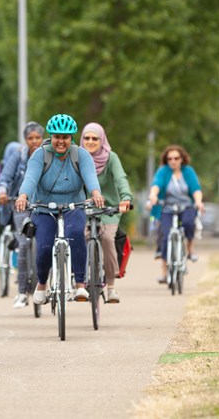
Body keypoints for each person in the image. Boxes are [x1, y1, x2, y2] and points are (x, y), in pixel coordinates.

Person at [15, 114, 104, 304]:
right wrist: (23, 196)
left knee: (75, 234)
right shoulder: (41, 154)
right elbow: (30, 178)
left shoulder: (81, 155)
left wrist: (96, 194)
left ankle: (80, 284)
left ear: (72, 138)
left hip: (74, 206)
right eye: (57, 136)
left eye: (65, 137)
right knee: (45, 245)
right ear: (51, 137)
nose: (61, 141)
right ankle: (41, 284)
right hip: (44, 207)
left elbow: (90, 177)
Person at [80, 122, 133, 303]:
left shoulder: (111, 158)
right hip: (83, 208)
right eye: (87, 138)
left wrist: (125, 198)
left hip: (108, 209)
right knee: (77, 237)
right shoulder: (77, 157)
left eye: (95, 138)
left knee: (108, 238)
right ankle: (79, 279)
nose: (91, 141)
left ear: (102, 140)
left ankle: (111, 287)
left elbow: (121, 179)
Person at [0, 122, 46, 308]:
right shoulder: (18, 156)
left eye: (37, 138)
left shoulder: (48, 155)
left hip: (43, 205)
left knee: (48, 243)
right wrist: (2, 192)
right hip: (21, 204)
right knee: (24, 244)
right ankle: (22, 291)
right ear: (25, 140)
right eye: (30, 138)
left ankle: (52, 282)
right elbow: (5, 178)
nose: (34, 142)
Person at [147, 144, 204, 284]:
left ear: (182, 159)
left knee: (189, 223)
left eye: (176, 158)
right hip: (166, 207)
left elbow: (196, 188)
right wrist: (153, 196)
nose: (173, 161)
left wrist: (198, 201)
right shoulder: (163, 171)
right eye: (169, 158)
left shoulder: (188, 171)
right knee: (165, 235)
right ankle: (165, 272)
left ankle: (190, 247)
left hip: (186, 206)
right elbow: (156, 185)